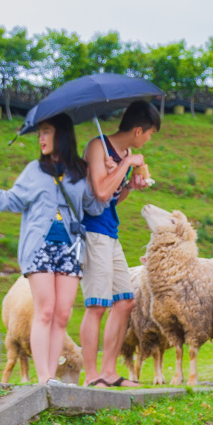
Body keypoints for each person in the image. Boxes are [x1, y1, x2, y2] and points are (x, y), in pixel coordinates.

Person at [0, 113, 105, 385]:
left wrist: (112, 175)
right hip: (39, 249)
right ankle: (45, 379)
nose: (41, 138)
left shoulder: (80, 172)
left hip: (69, 249)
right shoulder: (34, 170)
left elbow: (95, 207)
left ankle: (50, 374)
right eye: (40, 133)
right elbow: (9, 201)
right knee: (45, 311)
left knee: (62, 314)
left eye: (46, 132)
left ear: (62, 134)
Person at [80, 101, 161, 387]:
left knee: (126, 302)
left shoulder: (124, 153)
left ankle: (110, 373)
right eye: (150, 134)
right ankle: (92, 377)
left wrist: (128, 186)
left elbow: (113, 199)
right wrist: (126, 164)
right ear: (139, 130)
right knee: (97, 305)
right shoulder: (97, 147)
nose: (149, 140)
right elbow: (100, 192)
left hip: (111, 231)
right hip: (92, 232)